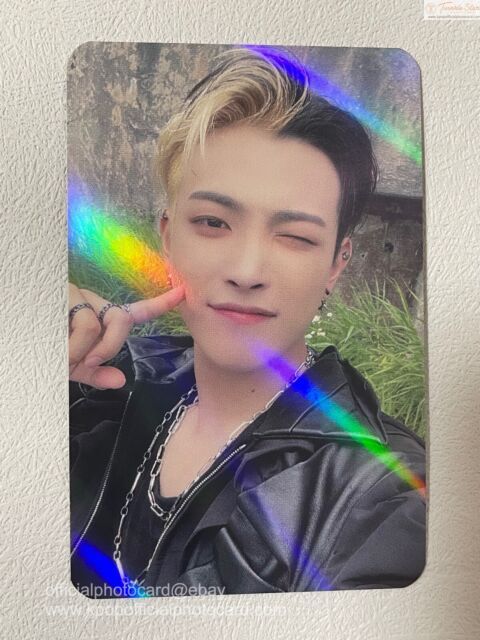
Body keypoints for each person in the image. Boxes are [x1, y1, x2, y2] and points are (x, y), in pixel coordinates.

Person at [69, 47, 426, 598]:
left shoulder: (377, 497)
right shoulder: (100, 384)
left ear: (337, 264)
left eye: (295, 237)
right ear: (168, 238)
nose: (246, 271)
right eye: (213, 222)